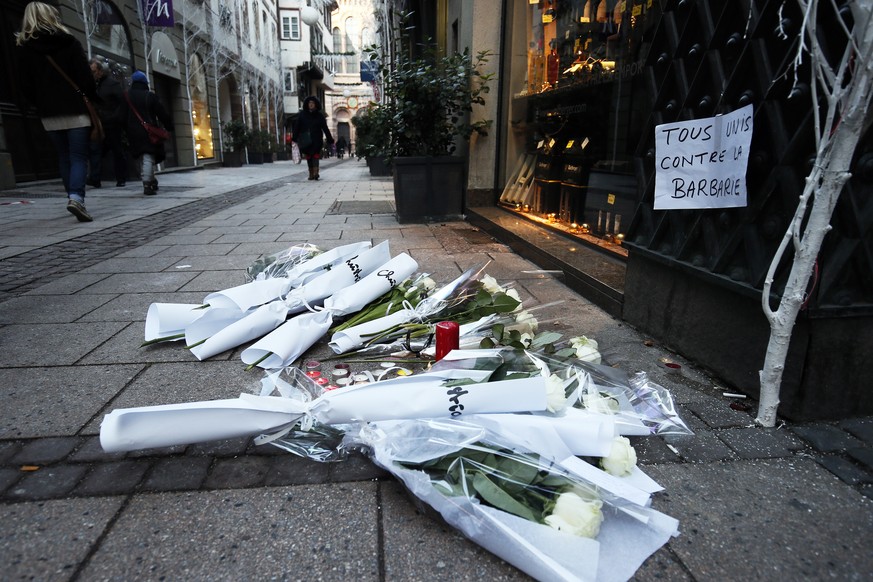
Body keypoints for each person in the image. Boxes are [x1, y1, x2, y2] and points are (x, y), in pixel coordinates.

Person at [15, 1, 98, 222]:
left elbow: (24, 86)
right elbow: (86, 79)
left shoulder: (24, 48)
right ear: (52, 16)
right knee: (78, 156)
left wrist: (39, 103)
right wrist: (88, 96)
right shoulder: (69, 42)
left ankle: (72, 197)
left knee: (64, 157)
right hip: (75, 110)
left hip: (49, 113)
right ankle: (76, 198)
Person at [116, 70, 173, 195]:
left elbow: (120, 117)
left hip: (132, 132)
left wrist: (126, 130)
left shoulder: (126, 96)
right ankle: (147, 183)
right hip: (148, 131)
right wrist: (169, 126)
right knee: (148, 156)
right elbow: (161, 113)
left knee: (142, 157)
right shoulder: (149, 96)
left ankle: (151, 180)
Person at [88, 58, 128, 188]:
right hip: (99, 124)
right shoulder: (94, 85)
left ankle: (121, 179)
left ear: (100, 71)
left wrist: (115, 118)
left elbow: (122, 103)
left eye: (94, 71)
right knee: (96, 150)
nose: (92, 74)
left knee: (116, 150)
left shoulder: (112, 84)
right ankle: (95, 178)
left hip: (111, 123)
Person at [292, 96, 333, 180]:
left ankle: (316, 172)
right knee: (309, 156)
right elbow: (297, 127)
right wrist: (294, 138)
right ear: (307, 104)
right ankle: (311, 173)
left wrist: (329, 139)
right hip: (306, 139)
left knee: (315, 155)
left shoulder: (319, 115)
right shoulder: (302, 115)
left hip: (316, 139)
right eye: (309, 103)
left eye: (313, 103)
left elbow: (325, 128)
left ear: (316, 104)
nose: (311, 104)